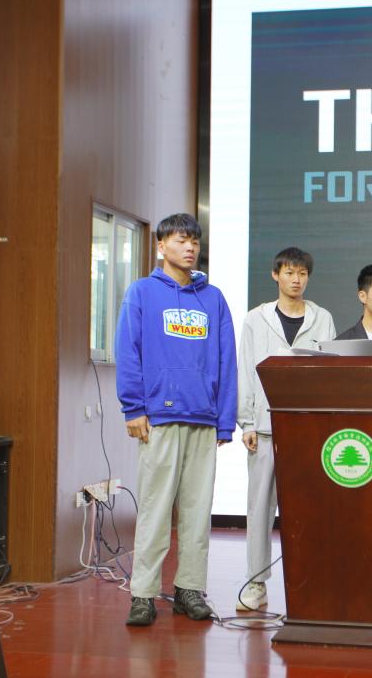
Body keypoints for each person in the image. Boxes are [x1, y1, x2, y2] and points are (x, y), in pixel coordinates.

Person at [115, 213, 237, 626]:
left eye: (194, 242)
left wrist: (225, 419)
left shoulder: (213, 299)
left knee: (198, 512)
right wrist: (133, 408)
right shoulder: (141, 293)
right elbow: (128, 351)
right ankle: (143, 594)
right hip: (160, 418)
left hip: (203, 418)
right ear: (161, 245)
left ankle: (189, 589)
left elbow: (227, 360)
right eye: (181, 240)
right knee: (154, 509)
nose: (189, 248)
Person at [236, 247, 336, 610]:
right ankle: (256, 584)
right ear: (275, 275)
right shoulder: (255, 319)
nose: (296, 279)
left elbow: (331, 373)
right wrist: (246, 422)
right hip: (264, 427)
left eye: (302, 273)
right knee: (259, 510)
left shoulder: (322, 318)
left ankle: (309, 582)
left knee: (309, 510)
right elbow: (246, 371)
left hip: (308, 430)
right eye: (290, 272)